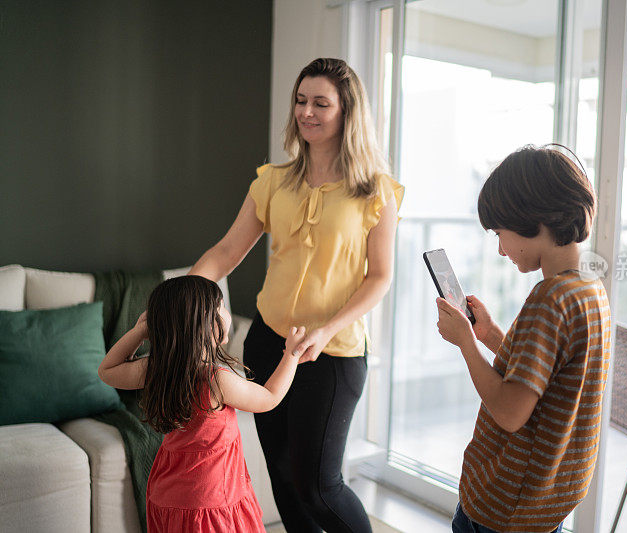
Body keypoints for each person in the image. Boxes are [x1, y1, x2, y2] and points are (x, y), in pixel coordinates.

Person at [187, 57, 403, 532]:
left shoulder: (376, 192)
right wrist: (183, 296)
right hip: (267, 345)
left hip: (332, 354)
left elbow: (380, 277)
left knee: (319, 486)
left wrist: (326, 330)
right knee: (283, 479)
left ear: (348, 112)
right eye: (301, 101)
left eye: (321, 103)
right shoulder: (273, 182)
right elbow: (225, 251)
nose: (307, 111)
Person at [435, 145, 612, 533]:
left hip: (505, 503)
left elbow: (511, 414)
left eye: (501, 232)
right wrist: (492, 337)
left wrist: (466, 343)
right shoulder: (587, 288)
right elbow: (551, 376)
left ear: (533, 220)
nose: (499, 249)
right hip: (546, 501)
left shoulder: (548, 300)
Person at [97, 275, 305, 532]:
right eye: (221, 307)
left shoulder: (156, 369)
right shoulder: (216, 380)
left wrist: (141, 331)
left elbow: (107, 370)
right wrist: (292, 354)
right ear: (207, 323)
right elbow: (270, 397)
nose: (226, 313)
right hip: (212, 500)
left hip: (168, 494)